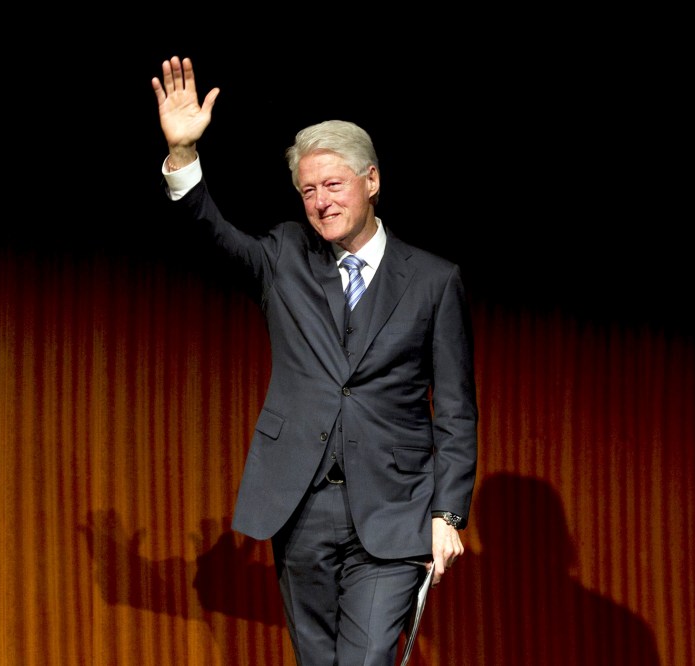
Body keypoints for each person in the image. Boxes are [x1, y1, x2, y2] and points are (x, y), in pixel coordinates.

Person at [151, 55, 478, 666]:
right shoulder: (284, 257)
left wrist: (448, 512)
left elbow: (457, 411)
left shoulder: (434, 281)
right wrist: (183, 158)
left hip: (394, 508)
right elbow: (211, 238)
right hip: (302, 506)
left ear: (372, 181)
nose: (321, 202)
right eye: (308, 190)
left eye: (334, 185)